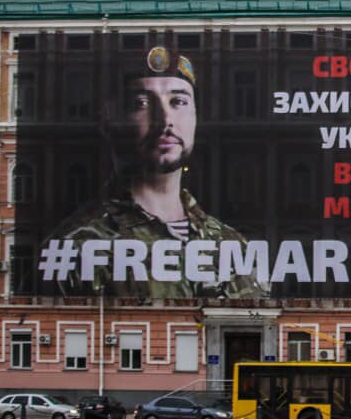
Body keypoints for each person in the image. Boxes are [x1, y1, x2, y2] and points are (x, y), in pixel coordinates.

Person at [47, 46, 262, 300]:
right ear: (109, 120)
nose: (164, 120)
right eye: (142, 103)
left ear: (195, 117)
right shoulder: (75, 246)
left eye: (178, 101)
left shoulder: (232, 243)